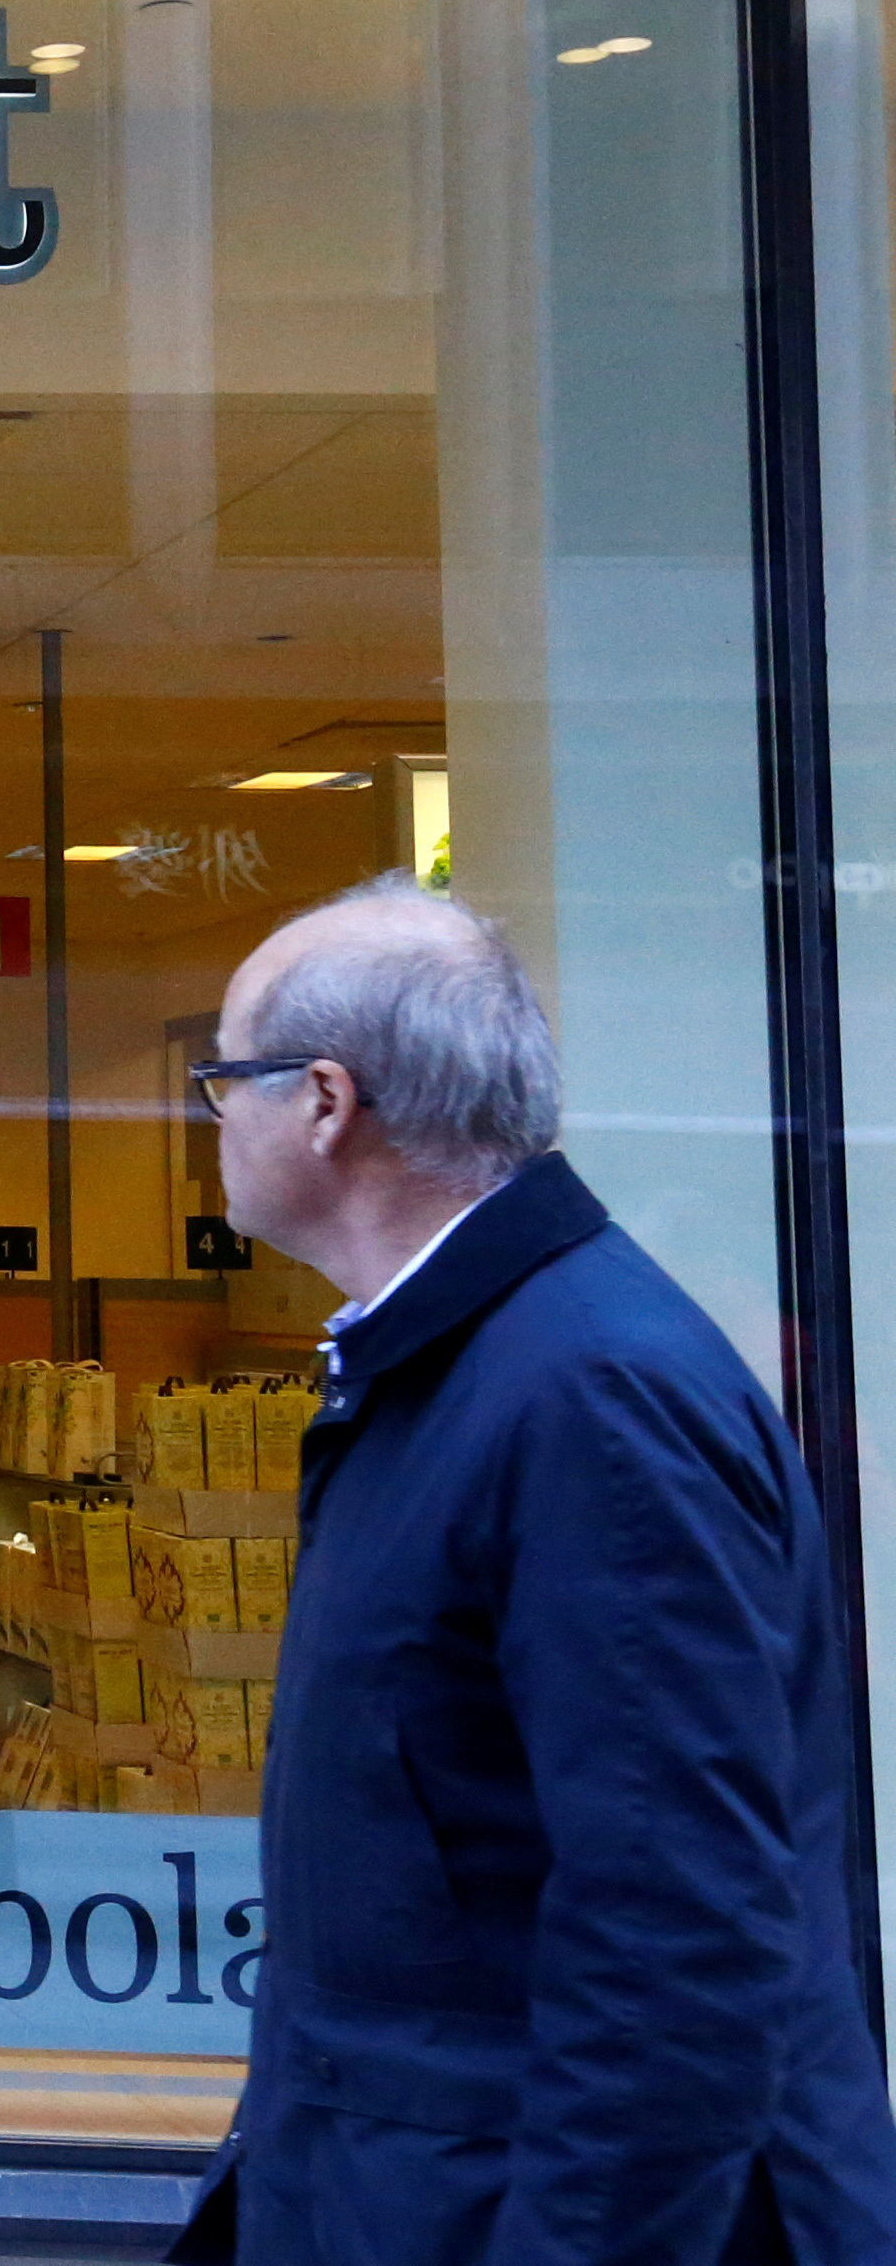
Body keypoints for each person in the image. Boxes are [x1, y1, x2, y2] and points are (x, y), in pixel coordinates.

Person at [176, 876, 896, 2265]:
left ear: (323, 1103)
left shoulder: (584, 1397)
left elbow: (674, 1943)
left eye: (225, 1081)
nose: (213, 1121)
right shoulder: (473, 1363)